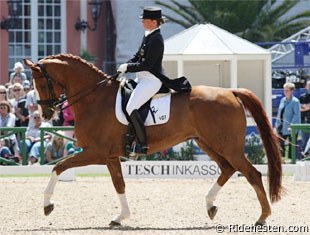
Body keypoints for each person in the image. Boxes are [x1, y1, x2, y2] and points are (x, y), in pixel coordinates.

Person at [116, 6, 167, 155]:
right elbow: (138, 56)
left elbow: (147, 64)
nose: (142, 22)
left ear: (153, 22)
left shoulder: (157, 39)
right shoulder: (148, 35)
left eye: (145, 20)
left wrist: (129, 67)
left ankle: (142, 144)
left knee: (131, 107)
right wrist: (124, 66)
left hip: (152, 80)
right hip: (142, 78)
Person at [275, 82, 301, 159]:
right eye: (284, 90)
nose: (285, 92)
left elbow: (297, 115)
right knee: (280, 145)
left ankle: (291, 161)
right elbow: (279, 113)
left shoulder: (295, 101)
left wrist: (291, 125)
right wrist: (276, 125)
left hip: (291, 128)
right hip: (281, 127)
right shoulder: (282, 100)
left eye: (287, 90)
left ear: (292, 91)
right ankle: (281, 160)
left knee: (291, 146)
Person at [299, 80, 310, 153]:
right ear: (306, 86)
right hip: (304, 121)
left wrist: (306, 106)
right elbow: (300, 108)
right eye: (308, 85)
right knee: (304, 140)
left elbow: (305, 107)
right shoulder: (302, 96)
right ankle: (303, 156)